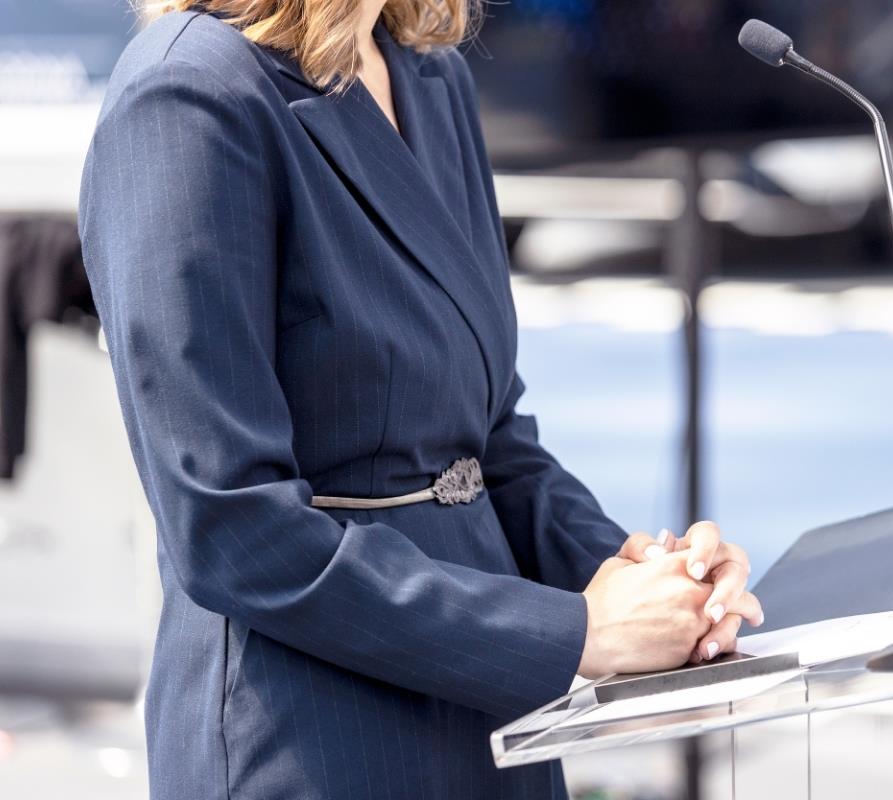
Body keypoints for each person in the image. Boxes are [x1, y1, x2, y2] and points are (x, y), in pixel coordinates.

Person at [77, 1, 763, 797]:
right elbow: (232, 528)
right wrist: (577, 631)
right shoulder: (185, 94)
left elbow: (487, 439)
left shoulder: (429, 76)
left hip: (492, 718)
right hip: (309, 735)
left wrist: (646, 579)